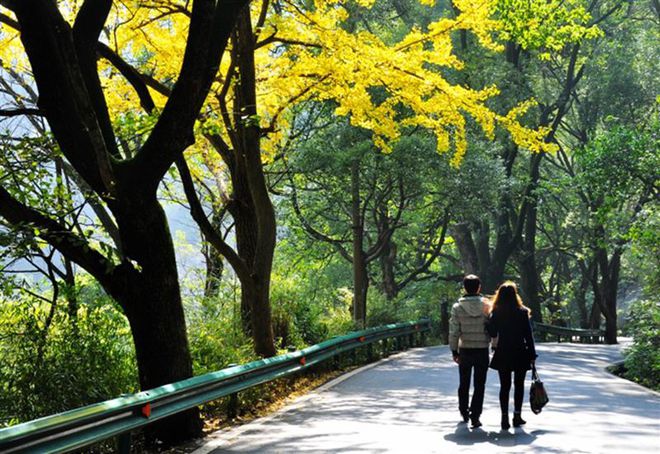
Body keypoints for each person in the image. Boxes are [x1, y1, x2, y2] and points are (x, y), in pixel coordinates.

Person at [487, 281, 538, 430]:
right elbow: (529, 336)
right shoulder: (522, 312)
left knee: (505, 386)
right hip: (520, 351)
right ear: (515, 295)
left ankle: (504, 417)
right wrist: (532, 354)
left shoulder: (496, 312)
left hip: (503, 351)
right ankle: (517, 415)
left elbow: (493, 333)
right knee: (519, 385)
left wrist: (489, 323)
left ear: (499, 296)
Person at [449, 274, 491, 428]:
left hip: (465, 349)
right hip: (481, 350)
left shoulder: (457, 307)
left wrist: (454, 350)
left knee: (464, 383)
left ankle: (464, 411)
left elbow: (454, 331)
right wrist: (493, 344)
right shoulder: (487, 306)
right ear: (479, 287)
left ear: (464, 287)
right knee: (480, 384)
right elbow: (491, 327)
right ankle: (476, 415)